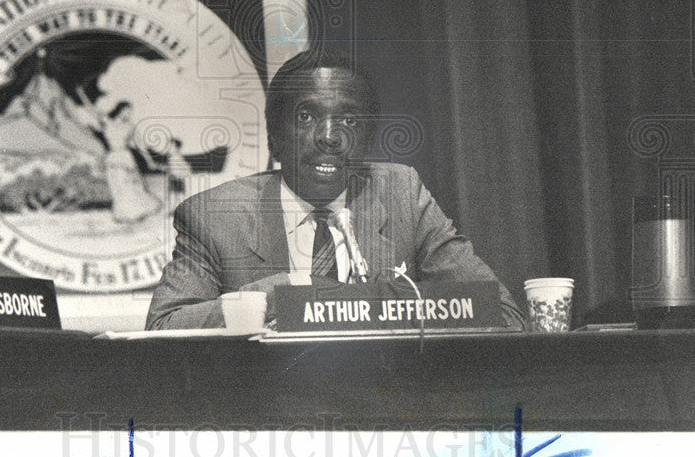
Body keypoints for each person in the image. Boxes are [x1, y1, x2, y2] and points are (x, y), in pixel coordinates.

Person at [145, 48, 528, 330]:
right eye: (307, 116)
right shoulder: (215, 216)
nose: (330, 138)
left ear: (367, 142)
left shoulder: (401, 196)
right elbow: (163, 326)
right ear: (275, 139)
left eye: (348, 120)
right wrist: (285, 295)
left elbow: (505, 316)